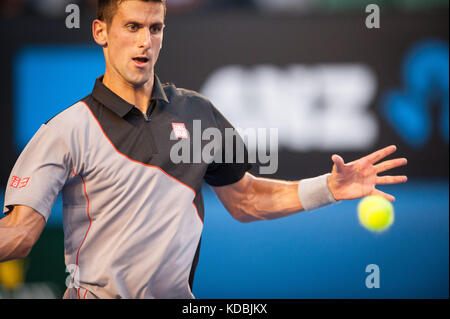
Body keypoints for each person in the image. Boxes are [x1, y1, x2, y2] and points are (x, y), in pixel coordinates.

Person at [0, 0, 407, 299]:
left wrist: (329, 188)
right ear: (100, 32)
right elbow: (19, 235)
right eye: (132, 27)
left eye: (155, 28)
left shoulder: (199, 113)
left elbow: (245, 199)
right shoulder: (66, 129)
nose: (145, 42)